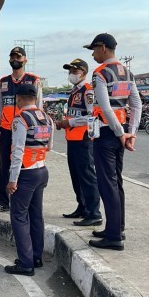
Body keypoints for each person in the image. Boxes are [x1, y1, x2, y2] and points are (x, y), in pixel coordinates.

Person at [84, 33, 142, 251]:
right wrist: (130, 132)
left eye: (94, 49)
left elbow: (105, 107)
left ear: (103, 48)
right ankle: (117, 227)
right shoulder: (128, 72)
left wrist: (119, 133)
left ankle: (114, 236)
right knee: (116, 182)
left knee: (107, 184)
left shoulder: (100, 73)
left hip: (108, 133)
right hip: (122, 132)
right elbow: (136, 104)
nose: (92, 54)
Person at [4, 83, 53, 276]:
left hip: (25, 173)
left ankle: (25, 262)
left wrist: (12, 179)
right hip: (42, 170)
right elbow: (49, 146)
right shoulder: (47, 118)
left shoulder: (20, 119)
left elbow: (17, 151)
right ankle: (36, 256)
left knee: (19, 216)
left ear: (19, 98)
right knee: (36, 215)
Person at [0, 46, 42, 213]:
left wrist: (39, 129)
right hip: (6, 130)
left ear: (25, 60)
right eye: (12, 57)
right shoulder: (3, 82)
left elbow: (39, 106)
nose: (15, 60)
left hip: (26, 129)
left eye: (19, 57)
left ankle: (22, 201)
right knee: (4, 166)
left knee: (24, 165)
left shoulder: (33, 80)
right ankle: (3, 201)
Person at [54, 59, 102, 226]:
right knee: (76, 175)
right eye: (70, 71)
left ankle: (94, 212)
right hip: (72, 139)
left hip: (83, 139)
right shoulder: (74, 92)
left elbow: (91, 116)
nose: (71, 74)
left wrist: (70, 123)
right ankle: (82, 206)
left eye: (75, 71)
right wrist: (63, 123)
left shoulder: (88, 91)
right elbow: (74, 115)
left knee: (87, 176)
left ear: (83, 73)